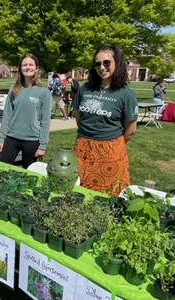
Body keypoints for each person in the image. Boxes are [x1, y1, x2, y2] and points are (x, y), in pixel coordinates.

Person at [72, 42, 138, 195]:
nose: (102, 67)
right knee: (78, 192)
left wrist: (109, 144)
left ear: (117, 63)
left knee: (108, 197)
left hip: (110, 154)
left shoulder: (126, 94)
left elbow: (130, 130)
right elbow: (78, 116)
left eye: (106, 62)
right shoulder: (85, 88)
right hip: (82, 149)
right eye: (97, 64)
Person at [0, 53, 51, 169]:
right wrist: (1, 138)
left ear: (36, 69)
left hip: (32, 140)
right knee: (1, 169)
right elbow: (6, 116)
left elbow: (45, 122)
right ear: (20, 69)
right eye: (24, 65)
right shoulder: (14, 89)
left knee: (30, 176)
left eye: (31, 64)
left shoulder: (43, 92)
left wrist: (42, 146)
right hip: (12, 138)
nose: (28, 67)